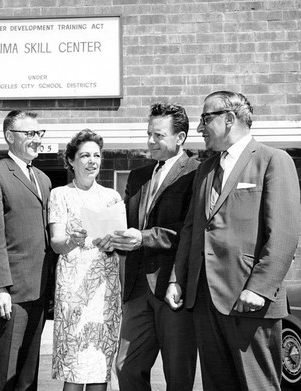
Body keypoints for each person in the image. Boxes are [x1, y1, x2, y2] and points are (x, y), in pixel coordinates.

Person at [165, 91, 300, 390]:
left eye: (205, 119)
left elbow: (285, 233)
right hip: (204, 301)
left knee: (257, 386)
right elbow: (191, 230)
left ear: (229, 119)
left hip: (250, 301)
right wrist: (178, 279)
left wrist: (259, 288)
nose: (199, 129)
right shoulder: (204, 170)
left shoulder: (273, 160)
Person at [111, 103, 199, 391]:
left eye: (158, 135)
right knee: (126, 366)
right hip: (137, 288)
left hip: (174, 286)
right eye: (149, 133)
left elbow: (189, 231)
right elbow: (126, 222)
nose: (150, 141)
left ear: (181, 138)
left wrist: (143, 237)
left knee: (178, 374)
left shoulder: (198, 173)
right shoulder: (138, 176)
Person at [0, 110, 54, 391]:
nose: (37, 139)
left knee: (27, 374)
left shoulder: (44, 179)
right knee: (3, 371)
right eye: (30, 133)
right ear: (10, 136)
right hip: (11, 293)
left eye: (39, 133)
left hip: (40, 289)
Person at [49, 129, 122, 391]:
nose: (92, 161)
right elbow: (56, 243)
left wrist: (113, 243)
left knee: (100, 364)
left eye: (96, 155)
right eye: (84, 155)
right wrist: (72, 240)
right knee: (76, 364)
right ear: (71, 160)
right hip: (73, 286)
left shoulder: (112, 197)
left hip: (105, 287)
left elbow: (121, 240)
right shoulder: (60, 195)